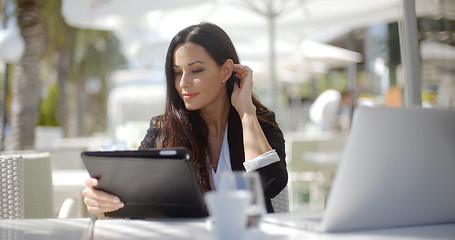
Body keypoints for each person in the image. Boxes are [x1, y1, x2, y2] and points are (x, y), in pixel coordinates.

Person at [82, 22, 288, 219]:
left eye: (196, 70)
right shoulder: (163, 130)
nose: (183, 83)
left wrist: (246, 112)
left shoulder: (259, 123)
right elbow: (138, 199)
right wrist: (102, 203)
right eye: (177, 72)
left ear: (225, 71)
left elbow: (270, 185)